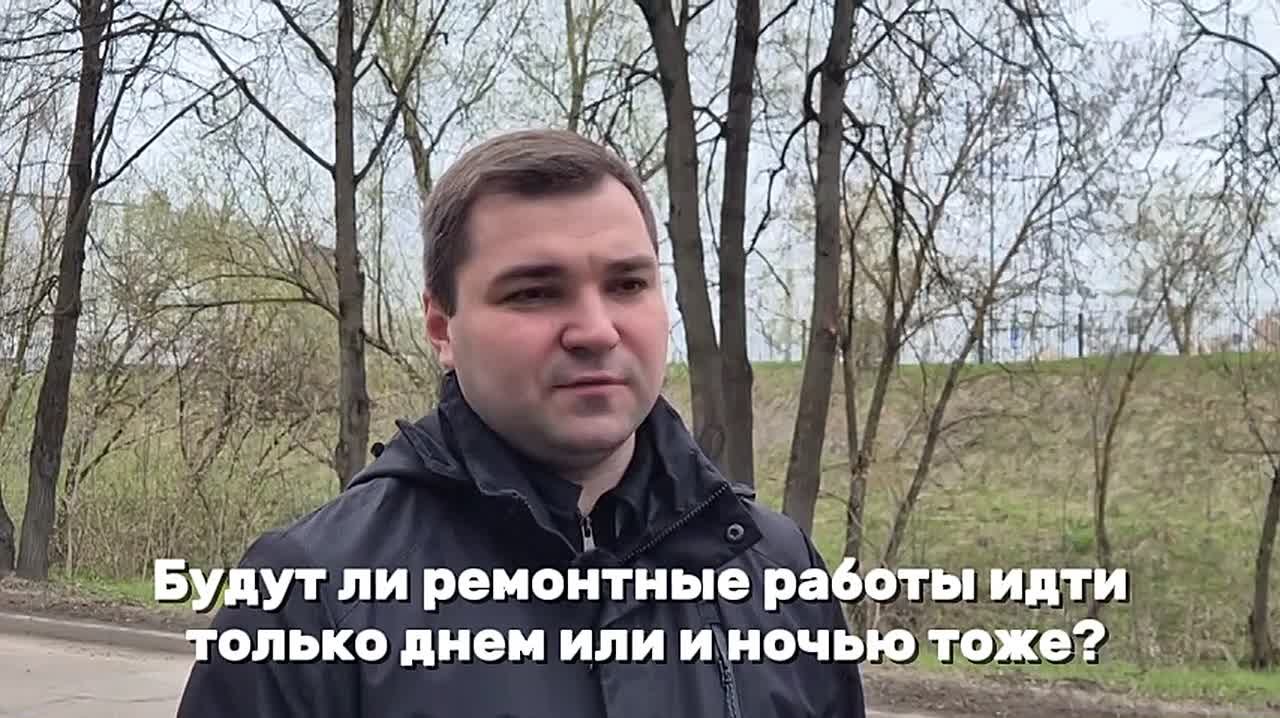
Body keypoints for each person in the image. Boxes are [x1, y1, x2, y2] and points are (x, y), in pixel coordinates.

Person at [175, 128, 867, 717]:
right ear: (442, 327)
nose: (596, 330)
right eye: (535, 292)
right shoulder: (309, 597)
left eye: (627, 284)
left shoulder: (777, 568)